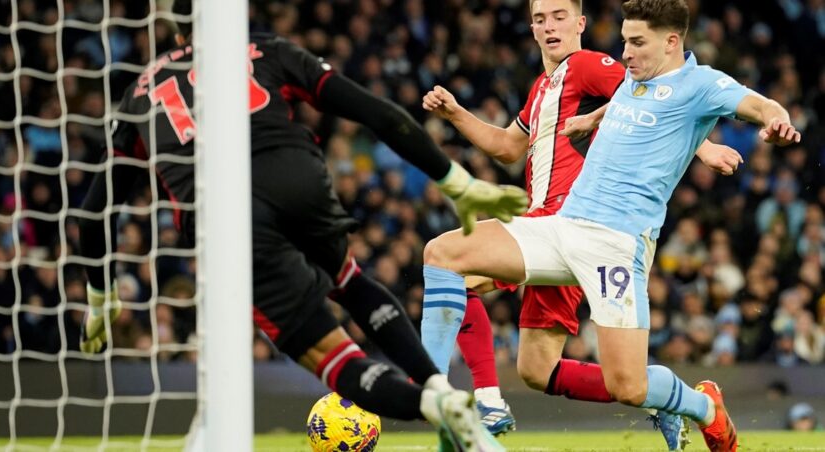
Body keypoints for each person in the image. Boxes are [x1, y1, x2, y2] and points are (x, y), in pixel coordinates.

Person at [77, 1, 529, 449]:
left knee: (329, 354)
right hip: (298, 175)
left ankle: (428, 405)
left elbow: (95, 210)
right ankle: (439, 388)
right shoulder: (268, 48)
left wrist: (101, 299)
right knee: (350, 280)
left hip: (229, 218)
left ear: (177, 34)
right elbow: (379, 113)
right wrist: (457, 182)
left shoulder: (142, 89)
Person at [419, 0, 801, 450]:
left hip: (616, 246)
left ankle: (704, 407)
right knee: (443, 253)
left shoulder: (702, 84)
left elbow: (759, 103)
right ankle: (433, 391)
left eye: (636, 43)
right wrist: (592, 118)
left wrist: (774, 120)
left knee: (629, 387)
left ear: (672, 42)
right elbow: (612, 102)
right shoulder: (630, 80)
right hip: (562, 226)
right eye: (624, 41)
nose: (625, 53)